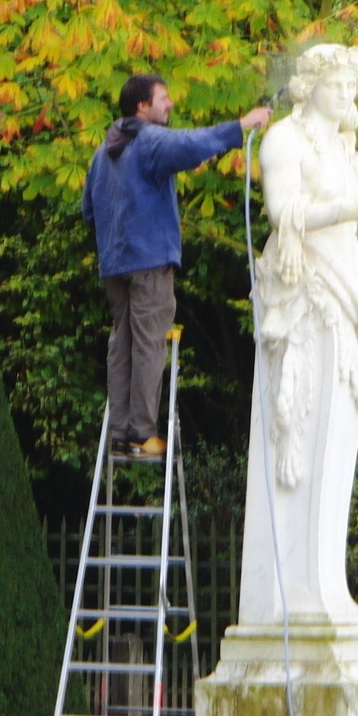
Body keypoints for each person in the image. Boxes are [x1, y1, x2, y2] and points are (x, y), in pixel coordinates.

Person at [237, 43, 358, 626]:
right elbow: (282, 212)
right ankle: (296, 598)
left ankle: (326, 585)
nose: (346, 95)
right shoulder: (285, 140)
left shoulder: (343, 150)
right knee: (301, 430)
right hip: (303, 296)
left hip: (344, 288)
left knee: (338, 438)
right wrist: (350, 205)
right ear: (310, 87)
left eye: (352, 86)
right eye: (335, 84)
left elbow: (344, 231)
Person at [82, 74, 271, 457]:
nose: (169, 104)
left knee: (124, 343)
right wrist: (240, 126)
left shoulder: (103, 152)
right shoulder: (148, 141)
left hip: (114, 264)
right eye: (163, 98)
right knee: (150, 344)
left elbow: (89, 211)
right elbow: (190, 145)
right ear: (142, 106)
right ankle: (141, 433)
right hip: (149, 260)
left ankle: (120, 433)